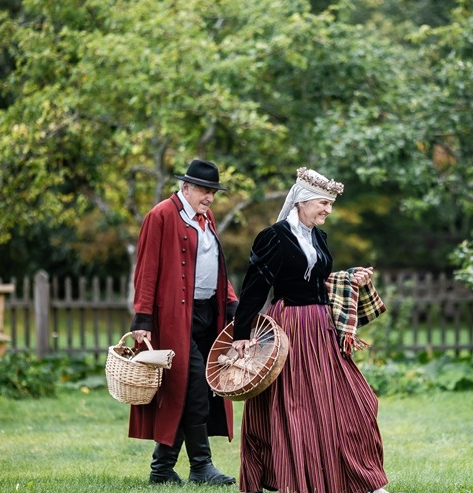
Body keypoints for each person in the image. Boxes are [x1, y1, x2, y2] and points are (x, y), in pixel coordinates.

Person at [230, 167, 392, 493]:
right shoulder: (274, 236)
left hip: (321, 328)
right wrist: (241, 335)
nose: (328, 210)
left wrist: (350, 278)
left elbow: (317, 281)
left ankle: (364, 479)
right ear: (302, 201)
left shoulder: (319, 237)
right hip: (290, 327)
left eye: (331, 205)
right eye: (323, 203)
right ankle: (299, 480)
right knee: (296, 408)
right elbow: (254, 289)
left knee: (355, 401)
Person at [128, 159, 239, 485]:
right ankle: (201, 467)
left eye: (213, 192)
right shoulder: (161, 215)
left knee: (191, 389)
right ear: (186, 187)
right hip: (175, 318)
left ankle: (161, 470)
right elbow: (146, 269)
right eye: (205, 190)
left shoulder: (207, 218)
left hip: (208, 314)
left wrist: (231, 304)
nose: (209, 197)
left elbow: (217, 269)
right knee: (192, 387)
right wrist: (143, 316)